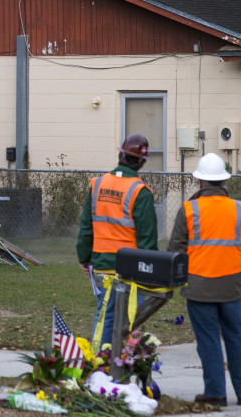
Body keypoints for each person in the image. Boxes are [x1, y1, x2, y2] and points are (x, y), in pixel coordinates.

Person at [167, 152, 241, 407]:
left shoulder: (189, 209)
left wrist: (180, 279)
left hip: (198, 288)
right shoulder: (240, 208)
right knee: (236, 339)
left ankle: (216, 392)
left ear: (200, 182)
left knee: (208, 340)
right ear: (223, 182)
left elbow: (176, 251)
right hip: (230, 286)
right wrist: (239, 271)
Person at [76, 134, 158, 351]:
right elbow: (147, 241)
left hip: (101, 265)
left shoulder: (97, 185)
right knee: (126, 322)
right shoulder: (140, 192)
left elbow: (86, 228)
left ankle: (103, 366)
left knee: (105, 316)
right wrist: (151, 272)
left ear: (121, 155)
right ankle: (105, 368)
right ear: (141, 162)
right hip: (129, 270)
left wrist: (85, 259)